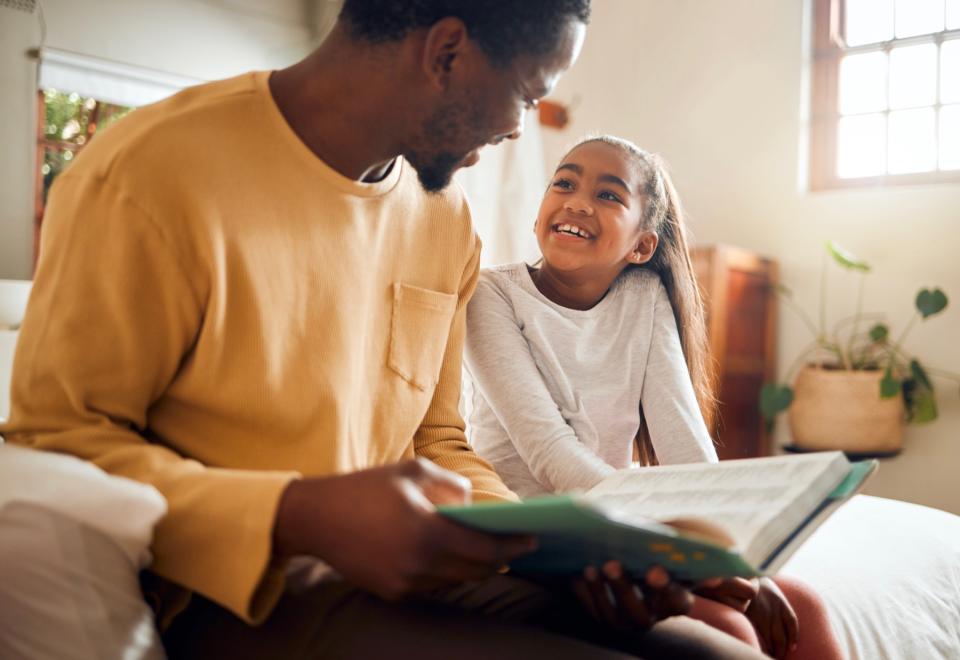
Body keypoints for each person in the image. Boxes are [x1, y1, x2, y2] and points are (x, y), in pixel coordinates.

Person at [0, 1, 767, 658]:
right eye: (527, 95)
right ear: (448, 54)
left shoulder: (444, 218)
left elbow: (437, 441)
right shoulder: (148, 175)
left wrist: (567, 553)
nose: (515, 130)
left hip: (421, 565)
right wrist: (294, 513)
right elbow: (58, 445)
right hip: (236, 594)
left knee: (714, 651)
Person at [464, 134, 846, 660]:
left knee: (805, 608)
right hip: (539, 533)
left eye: (608, 195)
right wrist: (673, 542)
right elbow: (550, 454)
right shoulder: (490, 294)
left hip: (622, 526)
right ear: (539, 214)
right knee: (729, 631)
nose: (577, 200)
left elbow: (685, 445)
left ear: (641, 246)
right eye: (565, 183)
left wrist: (734, 554)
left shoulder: (644, 298)